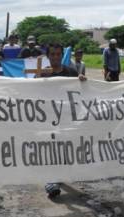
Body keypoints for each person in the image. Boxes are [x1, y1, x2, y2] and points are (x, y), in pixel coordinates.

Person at [40, 43, 86, 198]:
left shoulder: (71, 72)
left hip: (66, 117)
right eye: (52, 54)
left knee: (63, 148)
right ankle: (51, 181)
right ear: (48, 56)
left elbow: (80, 92)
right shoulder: (42, 73)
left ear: (62, 55)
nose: (55, 57)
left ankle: (57, 176)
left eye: (58, 54)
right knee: (51, 148)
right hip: (48, 118)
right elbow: (31, 92)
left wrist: (82, 81)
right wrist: (40, 77)